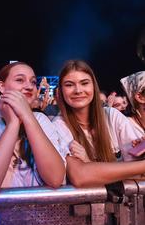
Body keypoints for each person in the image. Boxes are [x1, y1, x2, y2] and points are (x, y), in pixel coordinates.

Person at [0, 62, 68, 203]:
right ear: (2, 87)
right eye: (20, 80)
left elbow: (55, 178)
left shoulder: (41, 120)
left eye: (33, 82)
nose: (29, 86)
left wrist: (28, 116)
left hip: (40, 218)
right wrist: (13, 124)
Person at [53, 59, 145, 187]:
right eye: (69, 85)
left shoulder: (112, 116)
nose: (78, 90)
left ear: (94, 87)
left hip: (123, 205)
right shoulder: (58, 126)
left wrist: (89, 164)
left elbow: (141, 174)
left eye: (84, 83)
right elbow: (81, 177)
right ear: (61, 91)